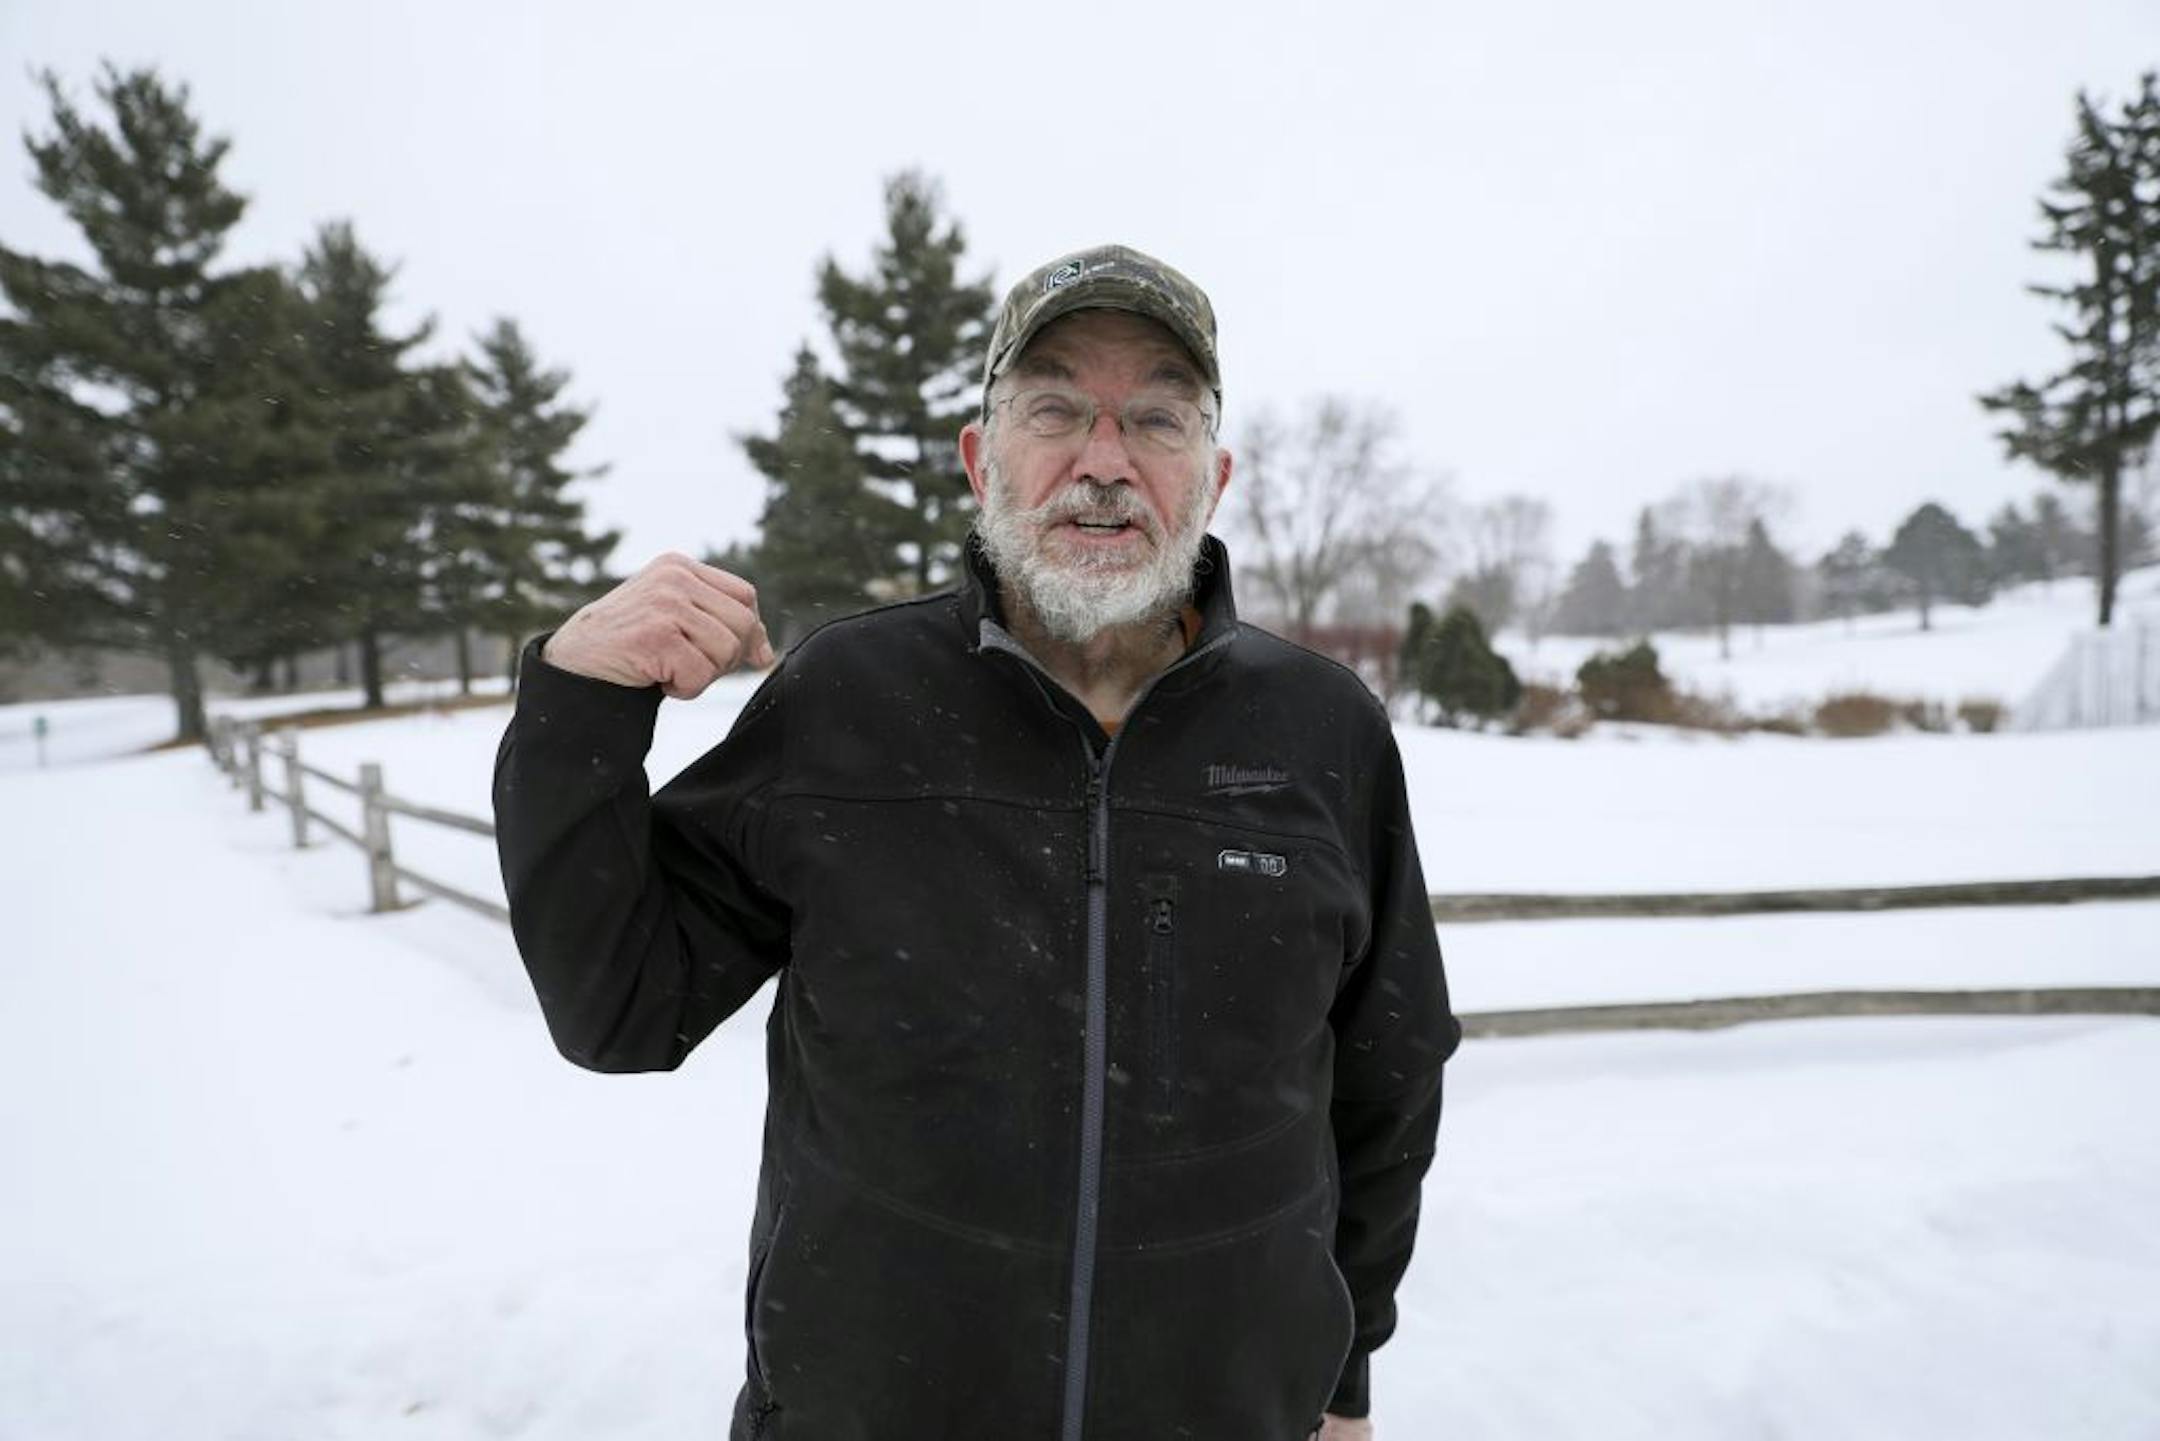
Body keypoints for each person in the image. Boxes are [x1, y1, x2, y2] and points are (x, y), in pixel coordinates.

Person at [492, 243, 1462, 1441]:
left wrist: (1342, 1375)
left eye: (1156, 419)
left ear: (1212, 479)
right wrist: (576, 709)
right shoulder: (848, 699)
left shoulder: (1322, 729)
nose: (1103, 462)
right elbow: (621, 1007)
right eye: (1054, 409)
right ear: (978, 459)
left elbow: (1389, 1073)